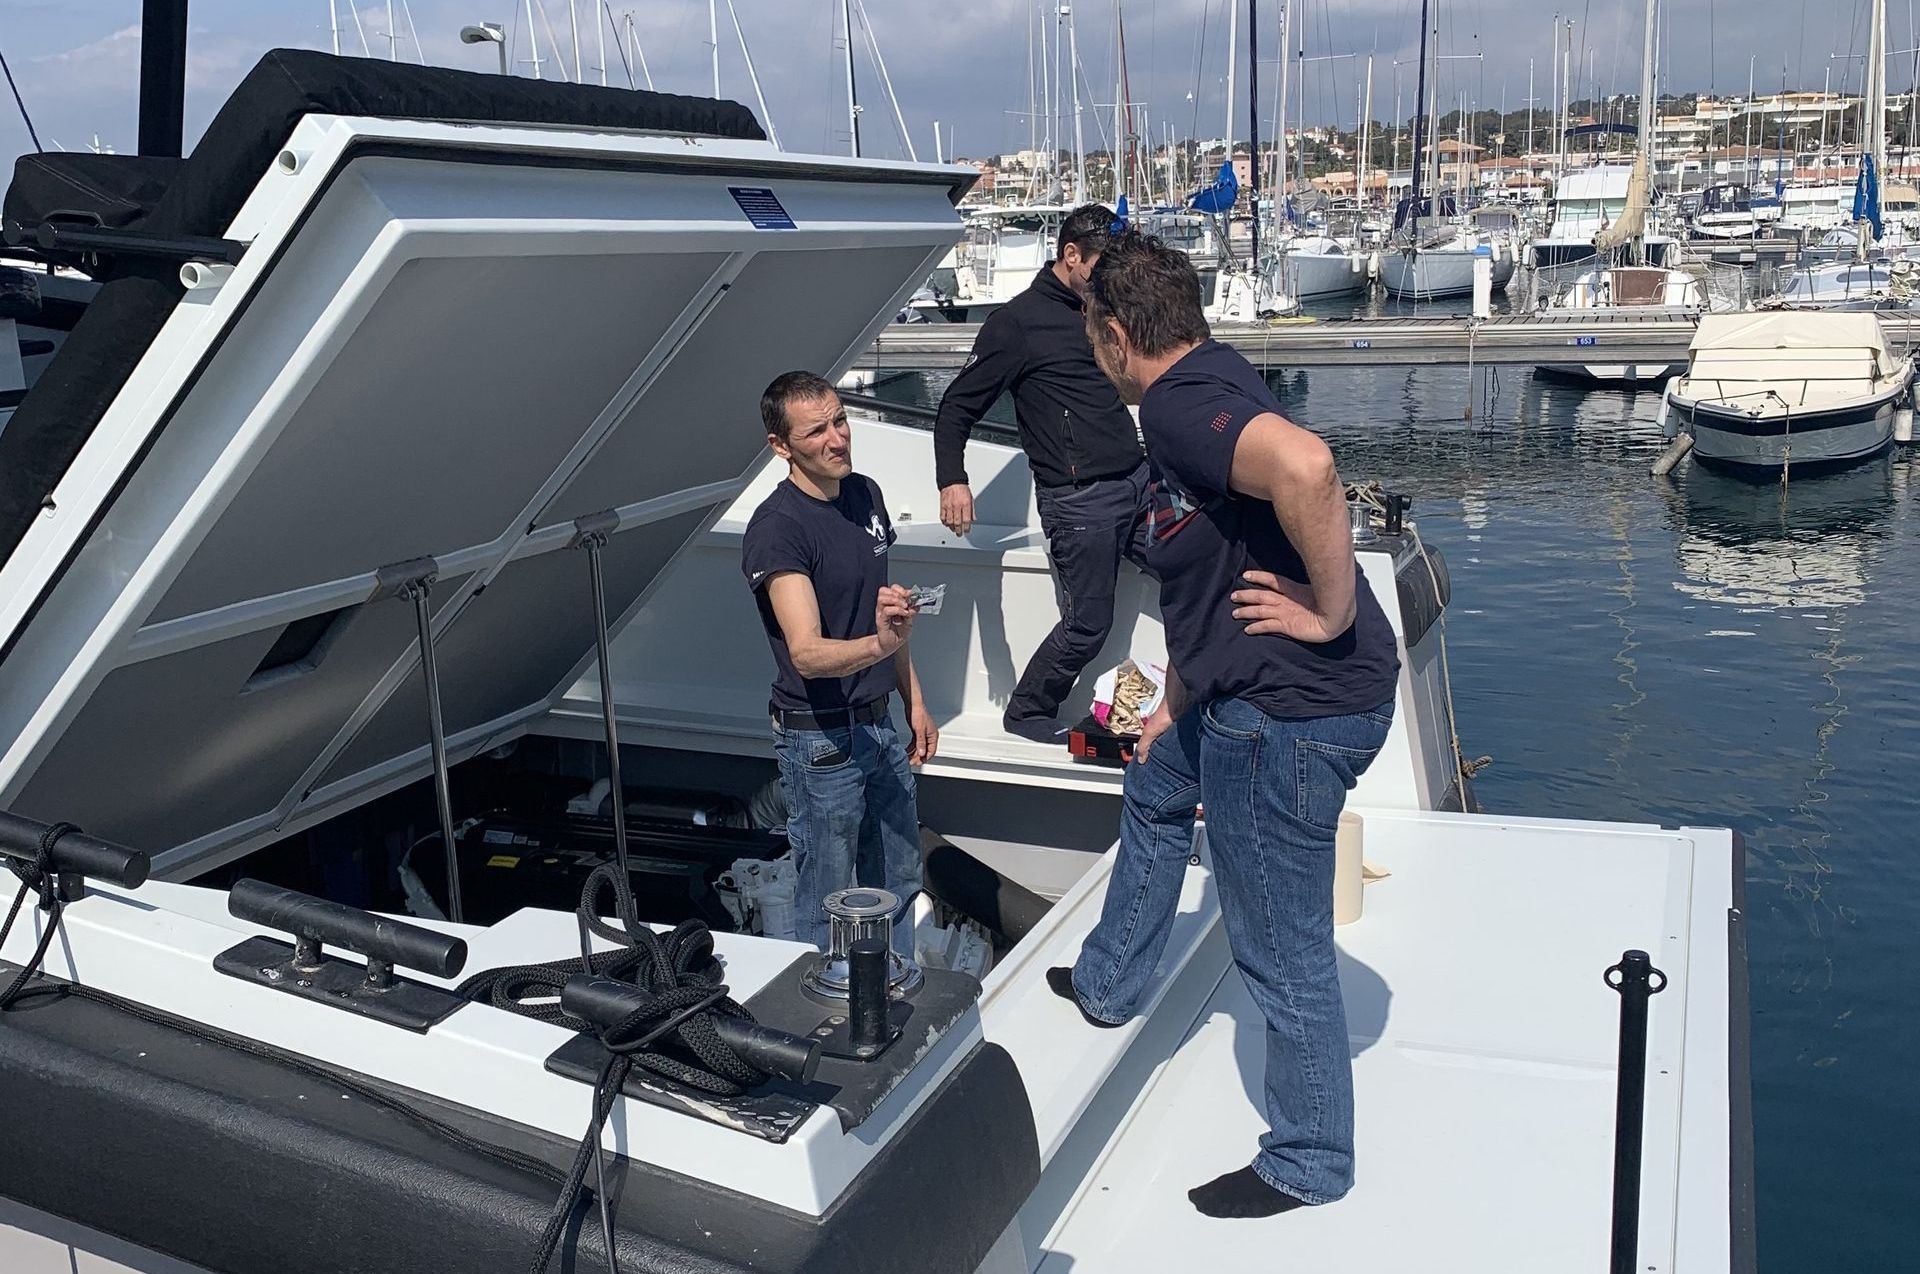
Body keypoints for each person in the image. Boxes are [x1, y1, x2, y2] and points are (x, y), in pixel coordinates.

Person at [1050, 232, 1401, 1219]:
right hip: (1252, 695)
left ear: (1117, 336)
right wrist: (1177, 699)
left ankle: (1309, 1158)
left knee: (1279, 943)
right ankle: (1113, 981)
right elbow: (1210, 566)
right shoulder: (1215, 372)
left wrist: (1329, 611)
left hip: (1289, 717)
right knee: (1158, 779)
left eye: (1092, 334)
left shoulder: (1172, 407)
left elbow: (1308, 467)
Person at [932, 203, 1151, 743]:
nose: (1111, 278)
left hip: (1139, 481)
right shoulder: (1016, 324)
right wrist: (952, 479)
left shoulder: (1103, 309)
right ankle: (1028, 710)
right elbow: (957, 406)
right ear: (1071, 255)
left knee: (1200, 566)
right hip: (1079, 502)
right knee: (1088, 623)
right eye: (1102, 266)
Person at [741, 372, 938, 959]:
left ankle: (894, 983)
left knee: (899, 877)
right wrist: (880, 644)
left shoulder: (865, 494)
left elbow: (885, 614)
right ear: (781, 446)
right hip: (820, 741)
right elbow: (806, 652)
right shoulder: (777, 529)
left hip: (880, 726)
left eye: (841, 420)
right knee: (827, 898)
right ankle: (819, 997)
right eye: (816, 431)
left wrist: (914, 701)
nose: (838, 438)